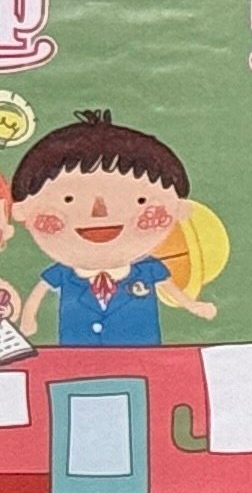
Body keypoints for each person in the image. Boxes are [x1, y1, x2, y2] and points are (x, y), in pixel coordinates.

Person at [14, 114, 217, 345]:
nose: (99, 213)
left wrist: (193, 305)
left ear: (179, 209)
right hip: (76, 355)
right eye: (69, 199)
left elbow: (173, 291)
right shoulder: (62, 274)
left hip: (143, 354)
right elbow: (38, 295)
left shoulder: (149, 270)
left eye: (140, 200)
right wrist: (28, 319)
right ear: (21, 211)